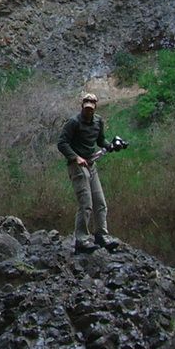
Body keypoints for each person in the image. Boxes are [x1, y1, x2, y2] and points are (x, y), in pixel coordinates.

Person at [57, 92, 119, 254]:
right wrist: (75, 157)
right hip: (77, 165)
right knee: (86, 203)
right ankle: (81, 239)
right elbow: (62, 143)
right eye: (86, 107)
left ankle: (101, 236)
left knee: (100, 202)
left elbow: (100, 141)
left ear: (95, 107)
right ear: (82, 106)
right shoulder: (73, 122)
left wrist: (111, 145)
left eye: (91, 107)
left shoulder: (98, 121)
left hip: (91, 163)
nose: (89, 110)